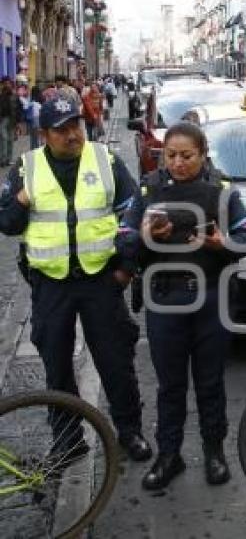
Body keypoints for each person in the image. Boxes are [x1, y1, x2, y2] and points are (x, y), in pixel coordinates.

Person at [0, 94, 151, 463]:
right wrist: (21, 198)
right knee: (57, 367)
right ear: (45, 133)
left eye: (77, 126)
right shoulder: (26, 168)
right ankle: (68, 441)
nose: (73, 135)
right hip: (51, 284)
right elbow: (7, 224)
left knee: (115, 361)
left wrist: (125, 270)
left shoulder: (106, 160)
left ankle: (129, 433)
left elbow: (133, 218)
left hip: (102, 280)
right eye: (62, 129)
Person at [117, 121, 246, 490]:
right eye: (171, 155)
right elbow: (124, 238)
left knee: (210, 382)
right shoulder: (149, 188)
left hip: (211, 299)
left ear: (203, 155)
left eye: (187, 156)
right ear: (162, 155)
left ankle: (215, 452)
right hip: (164, 300)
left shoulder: (222, 190)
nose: (178, 163)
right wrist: (147, 237)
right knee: (170, 386)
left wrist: (222, 243)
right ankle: (170, 456)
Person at [0, 77, 20, 167]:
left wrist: (18, 122)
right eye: (5, 83)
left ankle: (8, 159)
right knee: (3, 139)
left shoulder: (15, 95)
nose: (7, 84)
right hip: (2, 120)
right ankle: (2, 159)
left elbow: (19, 109)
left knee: (10, 139)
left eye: (8, 83)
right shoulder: (1, 94)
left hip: (12, 120)